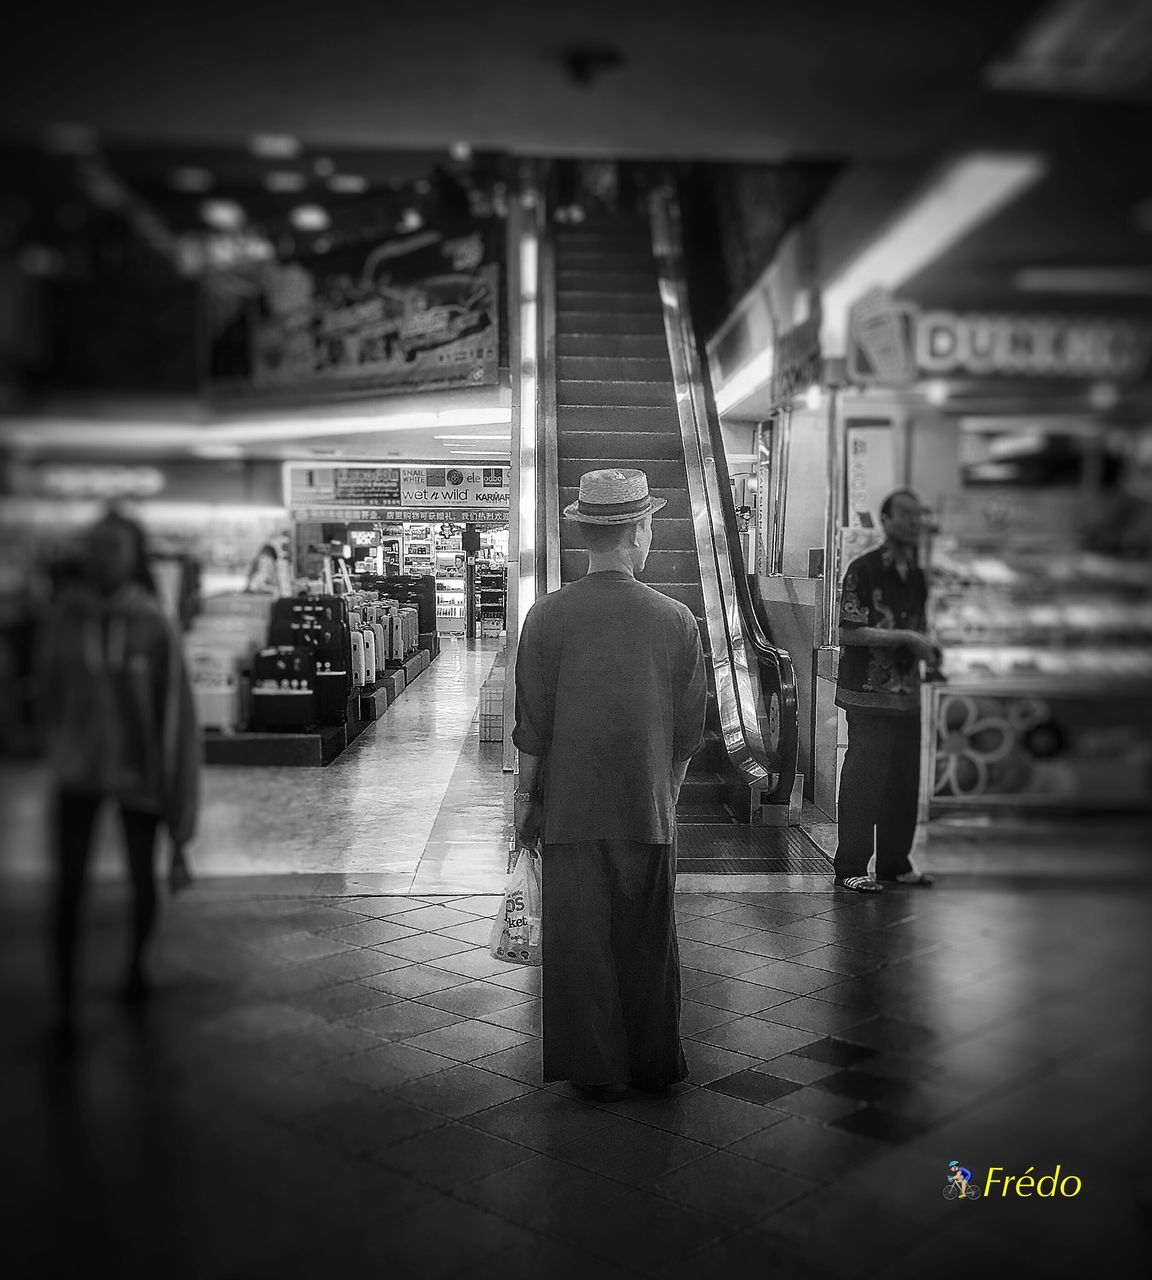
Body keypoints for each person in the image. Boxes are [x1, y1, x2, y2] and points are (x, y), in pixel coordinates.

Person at [513, 468, 707, 1103]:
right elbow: (687, 732)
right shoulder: (675, 620)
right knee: (649, 942)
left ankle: (597, 1071)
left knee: (581, 941)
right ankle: (654, 1062)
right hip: (647, 806)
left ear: (586, 536)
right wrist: (667, 797)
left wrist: (524, 805)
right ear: (640, 531)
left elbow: (533, 732)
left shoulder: (545, 618)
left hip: (569, 809)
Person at [37, 509, 200, 1049]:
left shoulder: (151, 624)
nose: (101, 555)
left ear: (134, 557)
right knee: (67, 888)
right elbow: (49, 688)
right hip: (78, 770)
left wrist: (178, 808)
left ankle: (135, 970)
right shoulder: (67, 617)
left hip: (138, 771)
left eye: (114, 546)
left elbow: (173, 712)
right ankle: (63, 1006)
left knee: (139, 877)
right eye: (96, 545)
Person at [833, 489, 939, 893]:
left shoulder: (917, 575)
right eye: (906, 516)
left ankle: (895, 863)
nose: (914, 524)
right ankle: (851, 867)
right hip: (868, 696)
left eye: (918, 516)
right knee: (865, 783)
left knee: (903, 783)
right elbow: (850, 632)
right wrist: (908, 638)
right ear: (887, 520)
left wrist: (928, 650)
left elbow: (918, 626)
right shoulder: (863, 569)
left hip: (907, 695)